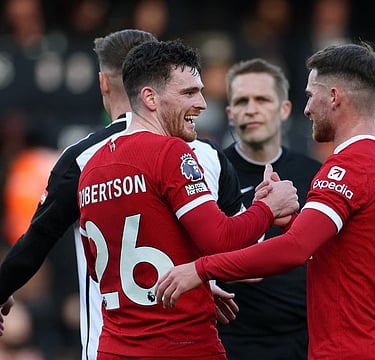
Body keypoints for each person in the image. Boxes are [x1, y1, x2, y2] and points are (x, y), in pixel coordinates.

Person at [156, 42, 375, 359]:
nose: (306, 108)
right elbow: (355, 246)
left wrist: (201, 269)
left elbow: (296, 248)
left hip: (347, 350)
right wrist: (294, 220)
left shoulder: (347, 168)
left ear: (334, 97)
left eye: (311, 95)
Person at [0, 29, 244, 360]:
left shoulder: (84, 159)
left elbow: (36, 242)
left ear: (103, 82)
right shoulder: (207, 156)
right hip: (187, 343)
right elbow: (239, 248)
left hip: (110, 344)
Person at [77, 39, 298, 359]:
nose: (203, 103)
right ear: (150, 98)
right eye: (189, 93)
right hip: (181, 345)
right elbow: (220, 240)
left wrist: (191, 278)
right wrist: (267, 208)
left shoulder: (92, 167)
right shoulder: (170, 152)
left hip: (115, 348)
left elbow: (102, 272)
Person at [218, 58, 321, 360]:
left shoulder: (315, 173)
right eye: (241, 101)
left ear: (285, 109)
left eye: (261, 99)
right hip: (230, 342)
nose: (251, 108)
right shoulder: (209, 172)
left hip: (303, 342)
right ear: (230, 114)